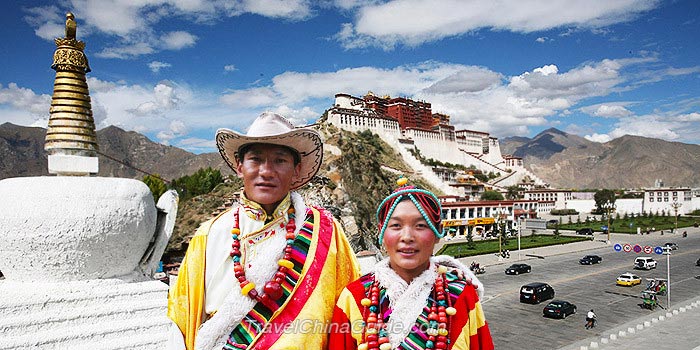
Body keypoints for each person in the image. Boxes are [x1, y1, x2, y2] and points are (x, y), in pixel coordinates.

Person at [167, 112, 361, 350]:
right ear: (240, 166)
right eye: (256, 159)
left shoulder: (327, 232)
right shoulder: (209, 235)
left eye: (280, 161)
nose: (266, 171)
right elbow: (181, 320)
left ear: (296, 170)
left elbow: (351, 312)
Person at [328, 178, 493, 349]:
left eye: (420, 225)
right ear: (382, 233)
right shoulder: (353, 298)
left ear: (437, 233)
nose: (407, 237)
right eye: (396, 225)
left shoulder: (460, 296)